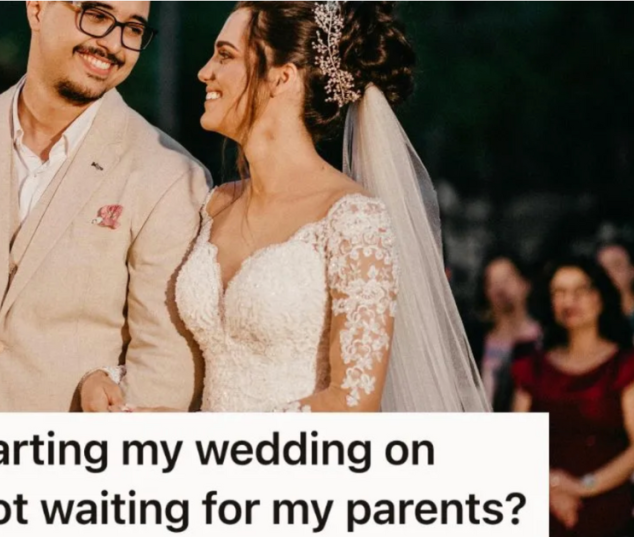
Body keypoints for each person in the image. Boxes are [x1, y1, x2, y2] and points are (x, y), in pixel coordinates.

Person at [81, 1, 488, 412]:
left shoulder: (353, 219)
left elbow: (354, 402)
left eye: (225, 55)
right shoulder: (213, 205)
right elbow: (188, 357)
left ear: (281, 78)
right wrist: (113, 381)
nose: (206, 71)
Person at [0, 1, 211, 412]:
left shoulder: (170, 176)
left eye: (134, 29)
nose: (113, 44)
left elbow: (165, 363)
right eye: (97, 15)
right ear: (36, 8)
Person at [512, 257, 634, 536]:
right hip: (541, 502)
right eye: (559, 292)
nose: (569, 301)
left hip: (606, 504)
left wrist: (583, 486)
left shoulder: (626, 365)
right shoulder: (532, 368)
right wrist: (549, 486)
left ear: (599, 296)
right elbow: (515, 442)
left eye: (579, 290)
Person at [472, 252, 542, 411]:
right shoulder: (476, 344)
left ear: (525, 283)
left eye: (506, 279)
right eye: (492, 283)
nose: (500, 288)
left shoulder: (545, 340)